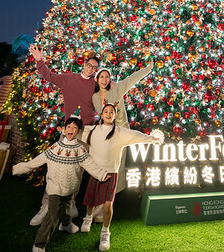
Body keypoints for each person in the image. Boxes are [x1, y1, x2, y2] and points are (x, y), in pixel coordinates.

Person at [13, 114, 110, 252]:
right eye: (69, 126)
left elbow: (90, 165)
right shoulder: (55, 148)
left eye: (75, 127)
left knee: (66, 208)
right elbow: (36, 161)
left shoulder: (80, 150)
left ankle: (66, 224)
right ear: (63, 129)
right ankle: (39, 244)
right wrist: (18, 168)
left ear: (78, 131)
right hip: (54, 187)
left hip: (70, 187)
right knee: (52, 216)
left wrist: (102, 175)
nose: (71, 129)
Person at [28, 44, 100, 225]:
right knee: (56, 167)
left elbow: (108, 95)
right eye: (89, 65)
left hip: (87, 131)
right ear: (84, 64)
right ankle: (45, 206)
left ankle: (71, 202)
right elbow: (50, 76)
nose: (91, 69)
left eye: (94, 68)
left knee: (78, 169)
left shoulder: (96, 85)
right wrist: (39, 60)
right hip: (69, 131)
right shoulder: (69, 79)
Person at [81, 104, 161, 251]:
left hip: (111, 173)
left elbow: (136, 136)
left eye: (112, 112)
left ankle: (105, 232)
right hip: (95, 171)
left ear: (115, 115)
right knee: (90, 199)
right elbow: (77, 130)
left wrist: (151, 139)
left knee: (107, 205)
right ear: (101, 114)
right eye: (106, 111)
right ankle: (88, 217)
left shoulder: (119, 132)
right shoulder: (92, 130)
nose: (109, 114)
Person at [89, 58, 153, 221]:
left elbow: (132, 79)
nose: (104, 79)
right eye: (101, 77)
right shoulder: (95, 97)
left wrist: (148, 69)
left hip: (120, 131)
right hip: (105, 132)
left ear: (110, 79)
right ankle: (98, 203)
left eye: (106, 77)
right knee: (101, 164)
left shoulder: (116, 90)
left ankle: (107, 204)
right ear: (97, 79)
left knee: (116, 166)